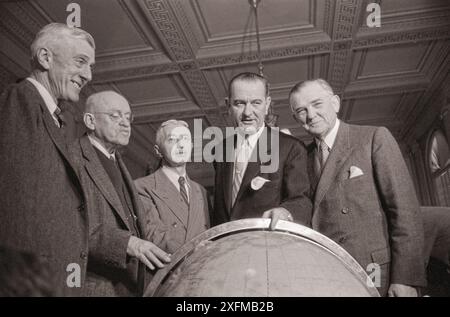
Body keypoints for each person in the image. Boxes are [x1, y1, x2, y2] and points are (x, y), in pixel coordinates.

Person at [289, 78, 427, 296]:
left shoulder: (372, 138)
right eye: (301, 110)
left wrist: (406, 279)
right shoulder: (301, 158)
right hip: (328, 275)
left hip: (377, 272)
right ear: (296, 118)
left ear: (335, 103)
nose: (311, 115)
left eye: (317, 104)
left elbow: (405, 211)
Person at [0, 23, 95, 296]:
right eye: (80, 61)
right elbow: (13, 211)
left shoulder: (60, 121)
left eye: (91, 66)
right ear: (45, 58)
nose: (88, 74)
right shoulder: (20, 100)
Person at [69, 91, 171, 296]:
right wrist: (127, 243)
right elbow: (68, 225)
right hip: (92, 286)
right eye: (115, 116)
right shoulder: (71, 158)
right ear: (90, 120)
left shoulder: (117, 162)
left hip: (129, 286)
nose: (125, 123)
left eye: (128, 117)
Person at [213, 72, 312, 229]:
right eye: (239, 103)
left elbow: (302, 200)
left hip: (267, 246)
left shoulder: (291, 148)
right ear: (228, 106)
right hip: (227, 248)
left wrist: (286, 211)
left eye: (256, 103)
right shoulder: (220, 150)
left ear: (267, 105)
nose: (247, 112)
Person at [135, 120, 210, 254]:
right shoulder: (141, 187)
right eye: (172, 140)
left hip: (202, 269)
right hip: (170, 270)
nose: (180, 145)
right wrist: (191, 250)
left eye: (185, 139)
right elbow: (153, 235)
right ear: (158, 151)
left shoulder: (201, 191)